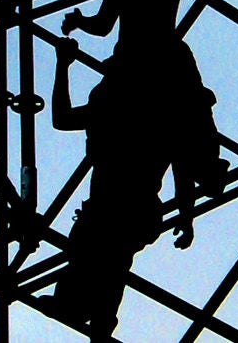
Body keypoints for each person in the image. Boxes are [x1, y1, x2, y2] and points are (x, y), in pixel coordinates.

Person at [61, 0, 238, 224]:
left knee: (147, 137)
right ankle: (196, 178)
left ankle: (169, 189)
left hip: (134, 66)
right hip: (162, 61)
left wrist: (80, 22)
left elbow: (102, 26)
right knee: (181, 131)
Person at [46, 36, 172, 340]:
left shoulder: (116, 108)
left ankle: (93, 315)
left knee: (100, 256)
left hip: (119, 206)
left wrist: (62, 65)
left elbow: (62, 118)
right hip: (132, 208)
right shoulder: (152, 112)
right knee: (108, 259)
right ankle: (96, 316)